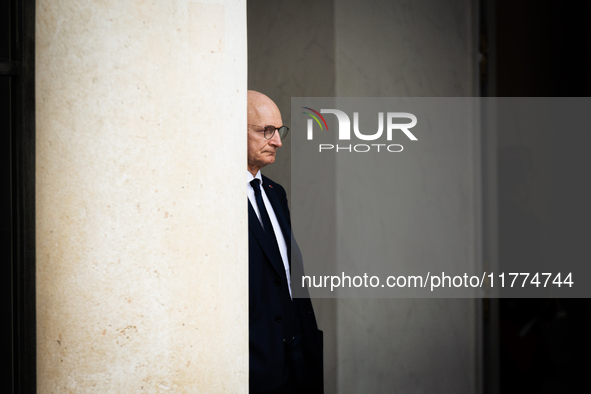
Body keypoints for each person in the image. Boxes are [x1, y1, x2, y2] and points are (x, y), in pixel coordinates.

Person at [247, 90, 323, 393]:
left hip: (297, 364)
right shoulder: (213, 196)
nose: (277, 141)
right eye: (267, 131)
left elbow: (289, 279)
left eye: (279, 131)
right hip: (254, 369)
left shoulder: (275, 192)